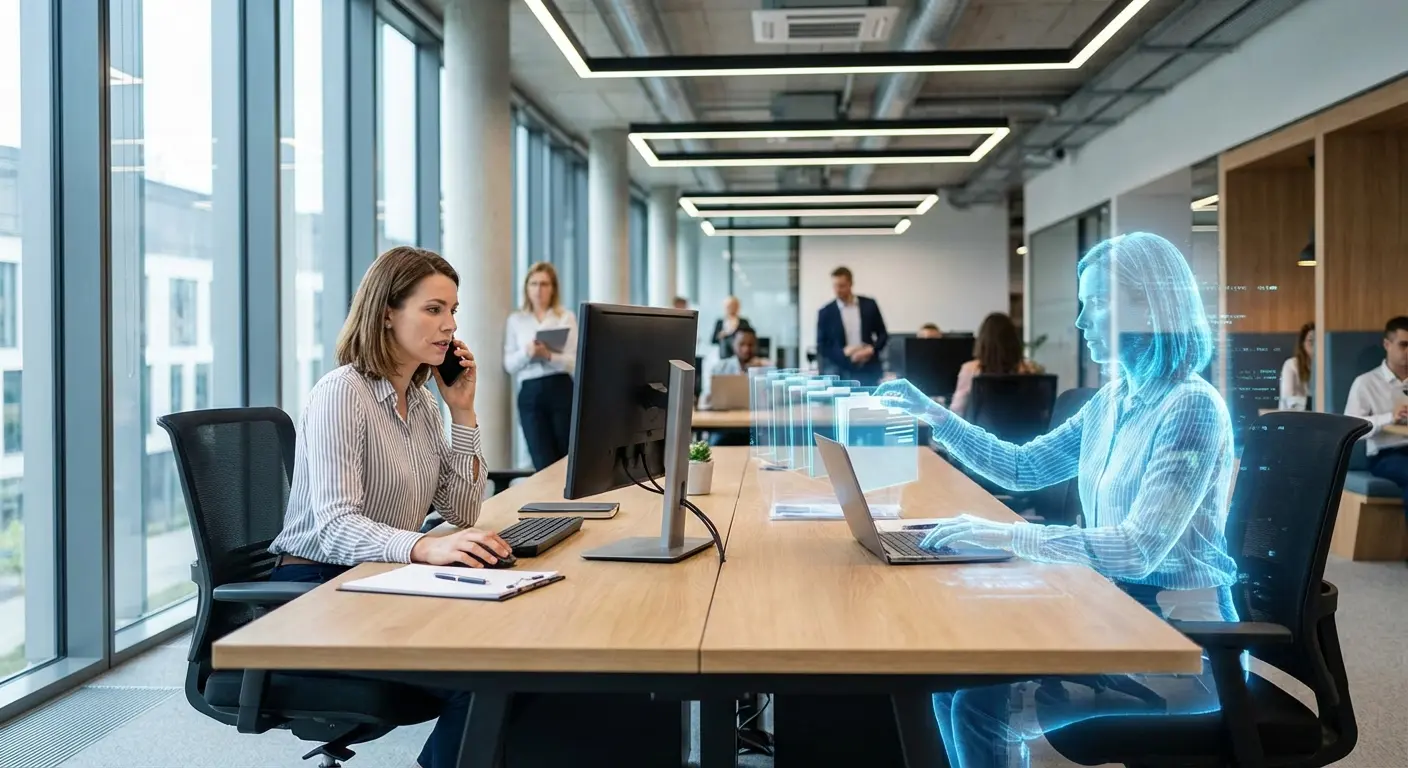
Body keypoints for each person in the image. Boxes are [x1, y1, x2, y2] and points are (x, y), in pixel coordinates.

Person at [876, 232, 1237, 768]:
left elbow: (1139, 550)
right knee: (948, 679)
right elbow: (1025, 468)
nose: (1081, 321)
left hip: (1183, 648)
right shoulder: (1115, 399)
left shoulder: (1191, 408)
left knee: (978, 701)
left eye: (1096, 303)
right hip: (1116, 614)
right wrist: (936, 416)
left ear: (1149, 305)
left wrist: (1004, 534)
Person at [267, 246, 513, 768]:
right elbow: (334, 526)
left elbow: (464, 508)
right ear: (386, 313)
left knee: (517, 650)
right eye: (433, 309)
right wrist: (424, 546)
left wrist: (462, 413)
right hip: (318, 586)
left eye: (453, 311)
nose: (449, 325)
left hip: (382, 579)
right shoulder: (343, 394)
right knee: (488, 673)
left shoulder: (423, 402)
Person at [503, 262, 577, 471]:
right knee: (541, 458)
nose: (538, 289)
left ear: (553, 288)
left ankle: (569, 503)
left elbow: (573, 361)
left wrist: (548, 355)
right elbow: (509, 364)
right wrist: (528, 353)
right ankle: (547, 503)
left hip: (561, 388)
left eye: (544, 284)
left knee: (566, 456)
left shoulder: (565, 317)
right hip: (530, 393)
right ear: (526, 287)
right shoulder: (516, 320)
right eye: (533, 284)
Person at [1344, 315, 1408, 524]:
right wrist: (1390, 418)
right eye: (1404, 345)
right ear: (1387, 344)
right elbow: (1352, 426)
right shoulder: (1366, 383)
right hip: (1386, 454)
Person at [949, 312, 1043, 416]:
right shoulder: (1029, 370)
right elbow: (1042, 411)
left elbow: (957, 410)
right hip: (1025, 431)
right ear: (1014, 340)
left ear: (982, 341)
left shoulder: (970, 370)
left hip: (982, 431)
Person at [816, 266, 889, 386]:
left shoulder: (869, 305)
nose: (837, 290)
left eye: (841, 286)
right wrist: (843, 352)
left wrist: (871, 350)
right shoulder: (825, 312)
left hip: (869, 369)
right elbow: (822, 346)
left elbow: (883, 334)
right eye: (835, 286)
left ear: (851, 284)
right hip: (841, 371)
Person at [1279, 321, 1315, 409]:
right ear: (1302, 344)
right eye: (1311, 341)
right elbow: (1288, 399)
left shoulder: (1326, 367)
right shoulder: (1291, 365)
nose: (1315, 345)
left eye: (1318, 341)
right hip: (1293, 417)